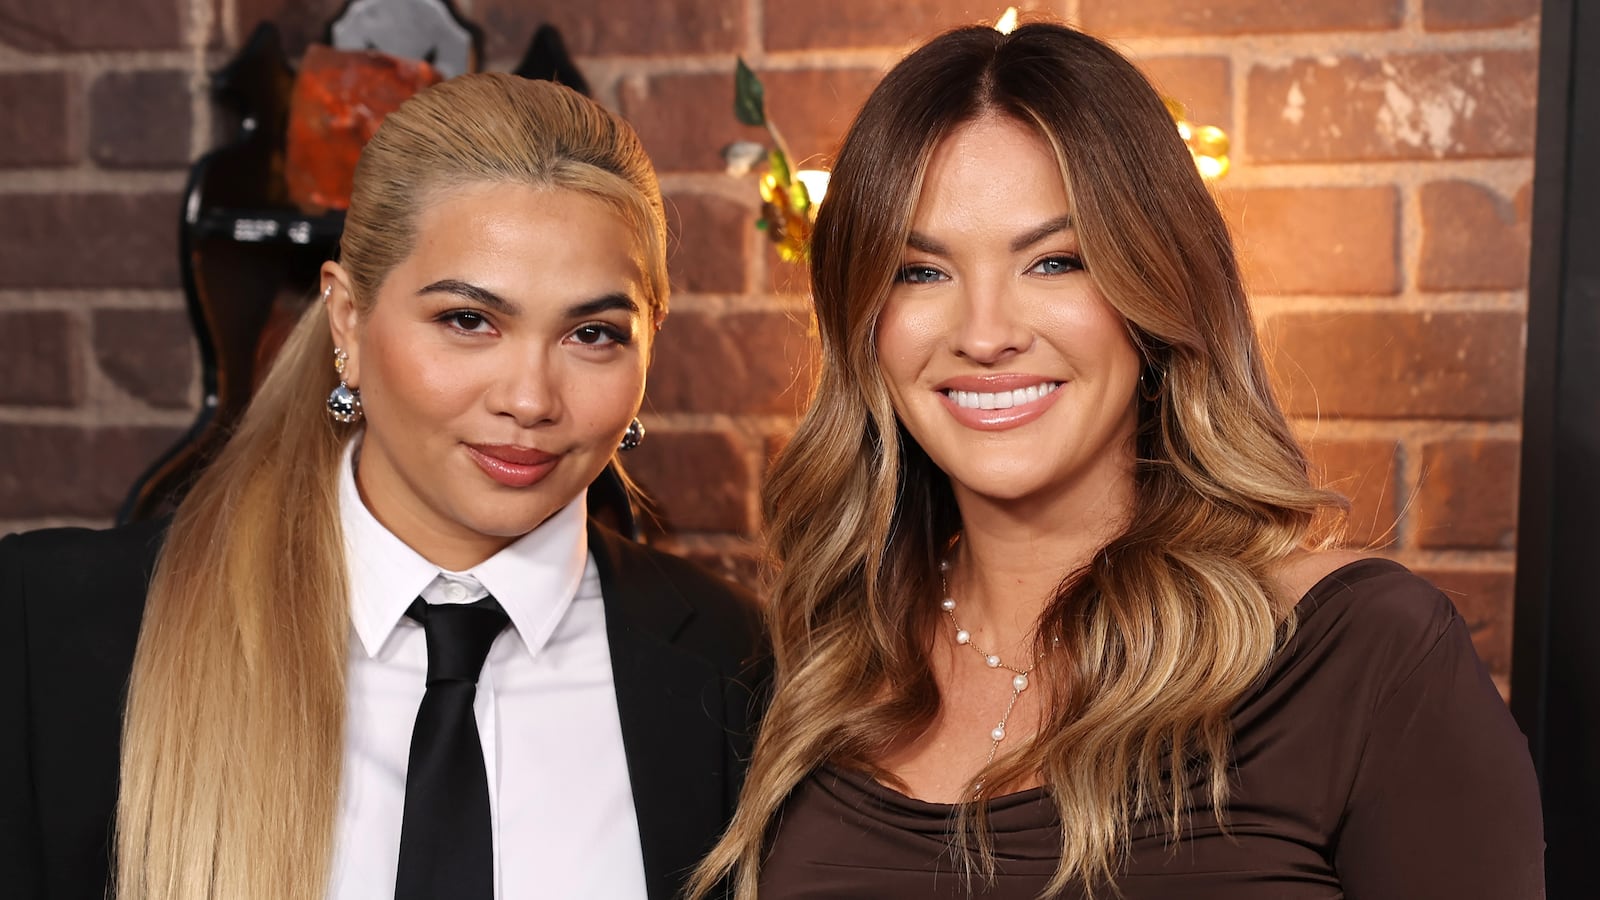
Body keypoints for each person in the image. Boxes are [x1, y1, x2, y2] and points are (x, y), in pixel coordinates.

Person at [686, 21, 1543, 900]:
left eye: (1056, 262)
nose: (986, 334)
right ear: (863, 324)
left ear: (1157, 293)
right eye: (920, 272)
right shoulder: (826, 661)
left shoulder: (1364, 657)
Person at [1, 73, 766, 900]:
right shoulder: (51, 631)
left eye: (592, 333)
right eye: (468, 321)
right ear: (348, 321)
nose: (531, 400)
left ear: (650, 343)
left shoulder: (736, 667)